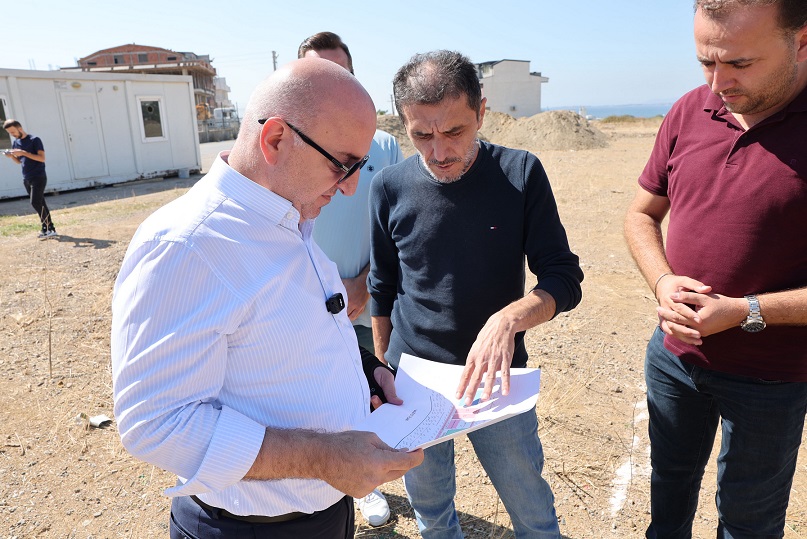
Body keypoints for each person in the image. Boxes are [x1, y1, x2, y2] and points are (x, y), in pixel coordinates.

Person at [111, 58, 423, 539]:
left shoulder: (289, 215)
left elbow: (292, 335)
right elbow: (156, 423)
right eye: (342, 165)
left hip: (328, 511)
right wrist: (324, 458)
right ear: (276, 139)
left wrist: (364, 371)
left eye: (360, 167)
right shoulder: (187, 245)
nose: (351, 188)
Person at [368, 50, 584, 538]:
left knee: (532, 512)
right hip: (413, 382)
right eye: (422, 135)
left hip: (496, 382)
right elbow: (383, 286)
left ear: (481, 112)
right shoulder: (388, 187)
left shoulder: (520, 173)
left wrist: (510, 318)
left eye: (454, 131)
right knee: (431, 515)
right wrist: (384, 370)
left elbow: (563, 276)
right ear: (403, 123)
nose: (440, 151)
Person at [623, 1, 807, 536]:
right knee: (668, 493)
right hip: (673, 359)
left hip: (771, 379)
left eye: (740, 64)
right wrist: (662, 280)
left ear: (801, 41)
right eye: (706, 61)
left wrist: (745, 311)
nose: (717, 83)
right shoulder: (689, 109)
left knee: (749, 522)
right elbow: (641, 214)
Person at [298, 30, 405, 528]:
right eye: (318, 74)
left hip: (365, 298)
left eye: (340, 73)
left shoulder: (384, 146)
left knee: (366, 390)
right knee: (316, 395)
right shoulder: (292, 149)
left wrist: (365, 283)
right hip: (306, 303)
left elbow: (396, 228)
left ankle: (365, 485)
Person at [3, 120, 57, 239]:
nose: (12, 134)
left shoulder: (34, 140)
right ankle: (49, 228)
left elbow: (42, 158)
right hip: (26, 177)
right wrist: (11, 156)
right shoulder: (16, 142)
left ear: (20, 128)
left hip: (38, 176)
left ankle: (48, 228)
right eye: (9, 133)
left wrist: (23, 153)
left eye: (13, 132)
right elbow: (19, 161)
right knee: (40, 203)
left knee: (35, 202)